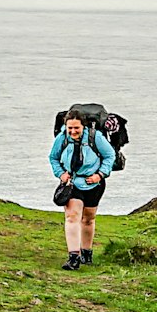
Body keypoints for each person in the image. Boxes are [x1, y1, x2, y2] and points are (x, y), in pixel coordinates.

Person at [49, 110, 115, 269]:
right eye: (69, 128)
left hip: (94, 184)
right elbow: (53, 157)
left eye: (76, 128)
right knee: (72, 217)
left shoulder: (95, 137)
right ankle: (74, 257)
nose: (72, 131)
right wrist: (61, 174)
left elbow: (110, 156)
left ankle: (87, 253)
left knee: (88, 218)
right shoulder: (62, 138)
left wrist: (99, 175)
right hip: (72, 183)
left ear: (83, 126)